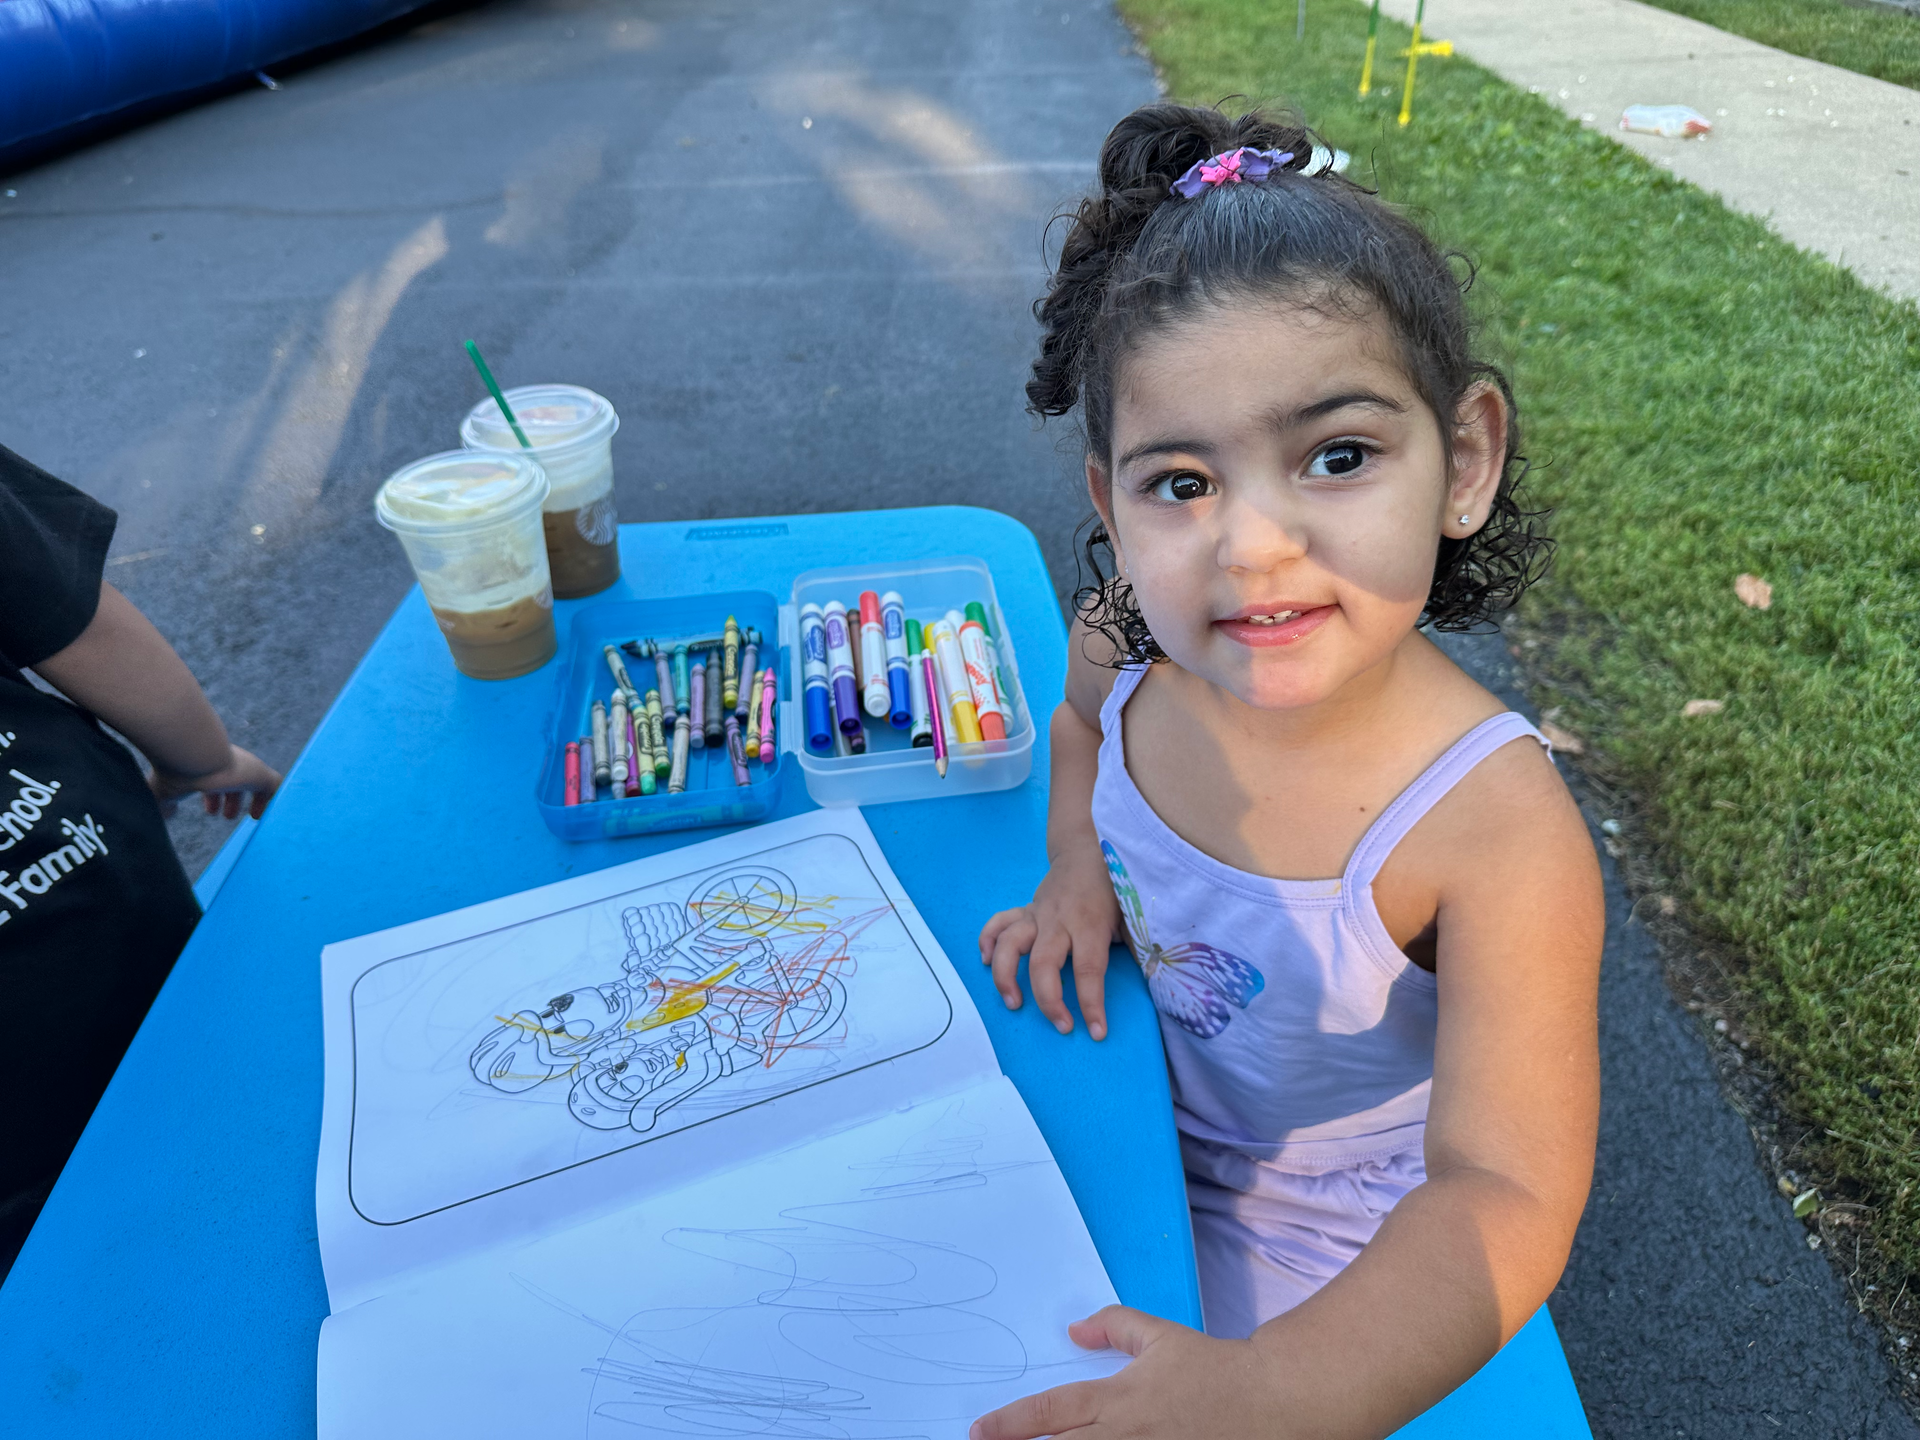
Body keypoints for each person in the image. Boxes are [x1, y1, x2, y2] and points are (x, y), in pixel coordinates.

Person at [972, 103, 1604, 1439]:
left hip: (1341, 1242)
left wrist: (1268, 1393)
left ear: (1465, 460)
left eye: (1338, 457)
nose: (1254, 546)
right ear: (1109, 504)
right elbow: (1078, 733)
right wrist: (1076, 871)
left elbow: (1502, 1191)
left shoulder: (1493, 828)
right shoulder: (1124, 649)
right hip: (1118, 1104)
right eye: (1181, 483)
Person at [0, 442, 280, 1277]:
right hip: (88, 893)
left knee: (77, 1288)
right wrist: (203, 761)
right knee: (239, 1127)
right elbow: (79, 624)